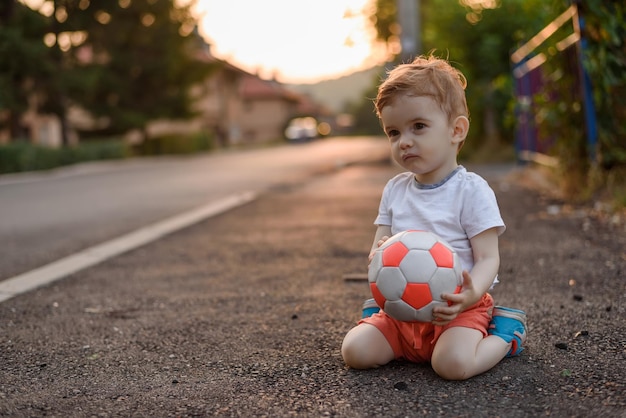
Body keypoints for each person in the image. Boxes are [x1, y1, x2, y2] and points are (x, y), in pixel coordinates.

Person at [340, 54, 527, 380]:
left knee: (452, 366)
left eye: (419, 127)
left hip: (456, 311)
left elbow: (487, 259)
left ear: (456, 130)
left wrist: (469, 295)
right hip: (400, 313)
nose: (405, 141)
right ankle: (388, 328)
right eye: (394, 132)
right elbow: (377, 250)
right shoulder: (395, 190)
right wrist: (379, 259)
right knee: (354, 351)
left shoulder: (471, 191)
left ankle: (504, 335)